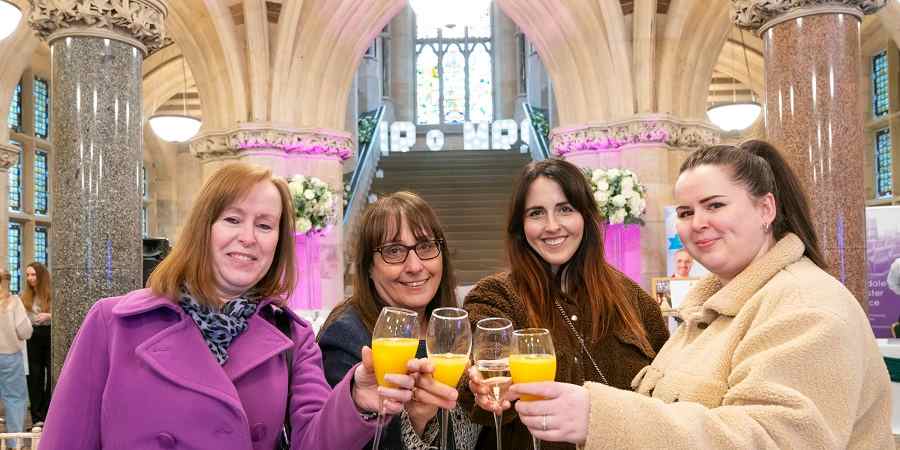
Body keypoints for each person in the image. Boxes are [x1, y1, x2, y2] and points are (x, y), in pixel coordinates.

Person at [505, 141, 893, 449]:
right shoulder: (706, 313)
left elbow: (774, 438)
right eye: (686, 212)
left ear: (765, 209)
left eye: (715, 205)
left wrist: (600, 417)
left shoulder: (807, 306)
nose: (698, 224)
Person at [39, 162, 418, 450]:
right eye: (233, 219)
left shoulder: (291, 336)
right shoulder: (113, 323)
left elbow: (312, 440)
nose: (248, 238)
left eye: (265, 226)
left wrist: (356, 399)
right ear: (203, 228)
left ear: (278, 243)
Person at [463, 158, 669, 450]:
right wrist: (481, 388)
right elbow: (475, 383)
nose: (552, 226)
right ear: (520, 227)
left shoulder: (634, 300)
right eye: (536, 213)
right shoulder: (495, 297)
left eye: (565, 209)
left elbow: (668, 396)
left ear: (585, 216)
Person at [318, 191, 481, 449]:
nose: (415, 266)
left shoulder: (452, 328)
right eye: (394, 251)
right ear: (368, 267)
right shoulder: (347, 338)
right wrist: (416, 420)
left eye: (426, 246)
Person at [0, 269, 32, 448]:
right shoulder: (13, 302)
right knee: (15, 400)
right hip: (10, 357)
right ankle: (14, 443)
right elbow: (25, 331)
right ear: (8, 281)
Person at [21, 262, 51, 427]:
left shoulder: (52, 292)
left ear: (41, 276)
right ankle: (37, 416)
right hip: (32, 336)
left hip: (50, 334)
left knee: (51, 374)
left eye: (33, 275)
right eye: (28, 275)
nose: (30, 278)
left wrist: (49, 316)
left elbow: (61, 313)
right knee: (34, 375)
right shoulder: (24, 295)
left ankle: (48, 413)